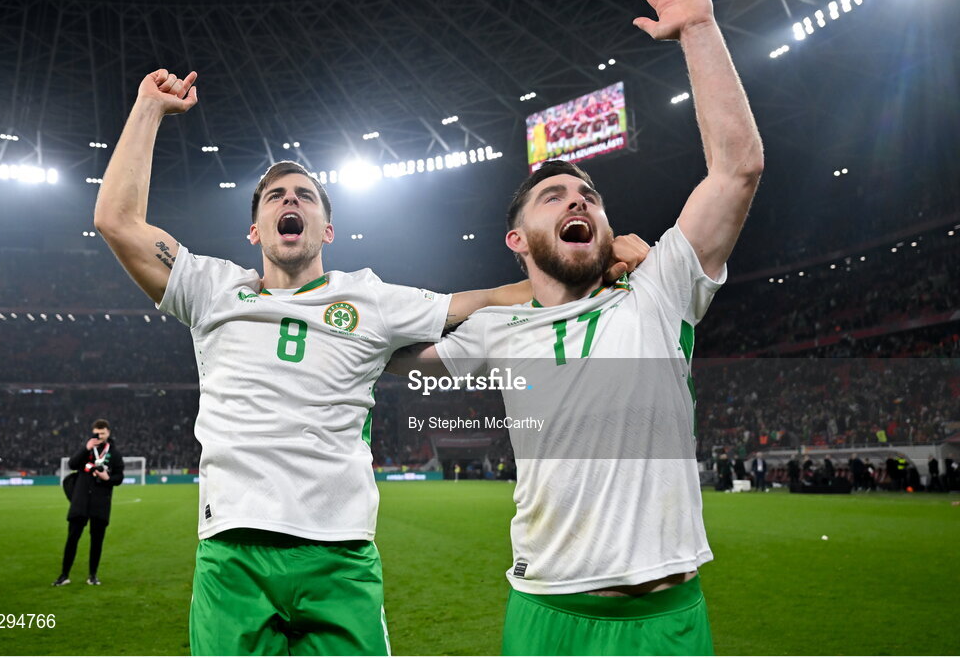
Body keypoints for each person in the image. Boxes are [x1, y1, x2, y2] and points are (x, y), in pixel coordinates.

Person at [92, 63, 656, 655]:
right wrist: (148, 109)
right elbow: (116, 220)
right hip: (232, 550)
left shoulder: (371, 298)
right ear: (254, 230)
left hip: (340, 552)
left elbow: (489, 299)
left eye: (304, 195)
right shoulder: (209, 288)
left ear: (326, 229)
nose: (291, 200)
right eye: (277, 196)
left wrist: (597, 262)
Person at [393, 0, 762, 655]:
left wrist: (700, 31)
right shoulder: (497, 331)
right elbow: (390, 357)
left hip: (666, 623)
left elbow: (737, 169)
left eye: (590, 195)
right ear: (518, 238)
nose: (578, 200)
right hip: (545, 618)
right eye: (554, 195)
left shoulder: (658, 293)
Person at [53, 419, 124, 586]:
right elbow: (72, 464)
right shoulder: (86, 449)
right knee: (72, 538)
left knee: (97, 541)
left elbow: (120, 477)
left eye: (103, 433)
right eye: (97, 433)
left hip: (101, 502)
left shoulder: (114, 453)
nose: (99, 436)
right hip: (81, 501)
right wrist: (86, 448)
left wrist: (108, 478)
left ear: (108, 433)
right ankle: (64, 575)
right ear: (92, 432)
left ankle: (93, 575)